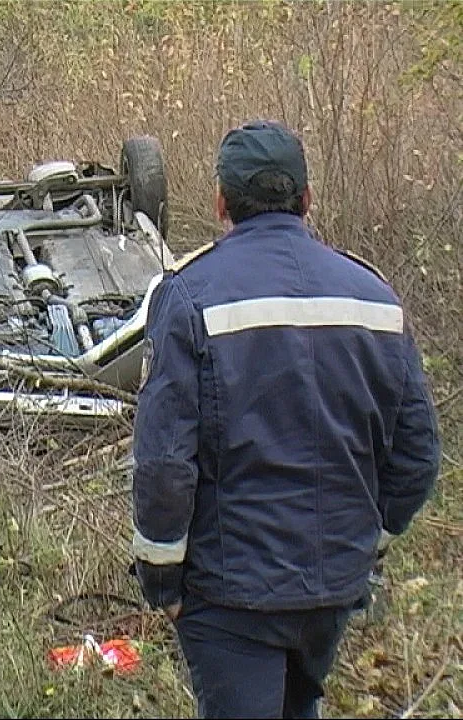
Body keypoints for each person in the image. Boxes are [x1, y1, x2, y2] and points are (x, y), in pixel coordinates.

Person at [131, 120, 440, 718]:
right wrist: (367, 542)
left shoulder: (190, 296)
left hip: (231, 592)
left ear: (221, 202)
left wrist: (163, 578)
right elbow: (418, 454)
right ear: (306, 199)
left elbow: (166, 462)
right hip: (333, 584)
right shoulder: (374, 297)